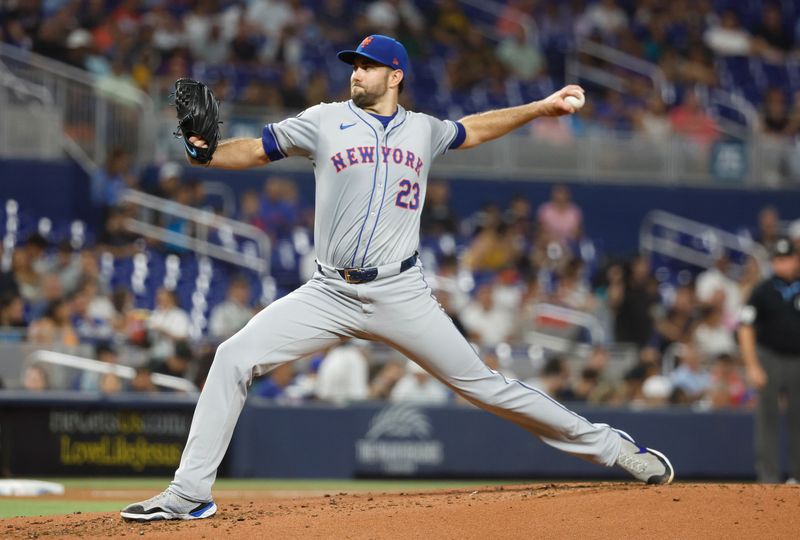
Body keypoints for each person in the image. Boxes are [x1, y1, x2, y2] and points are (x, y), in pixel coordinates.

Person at [121, 34, 673, 522]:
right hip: (329, 290)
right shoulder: (323, 119)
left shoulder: (424, 131)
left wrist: (540, 107)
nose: (355, 72)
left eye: (366, 65)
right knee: (232, 357)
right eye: (353, 65)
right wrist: (208, 154)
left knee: (486, 386)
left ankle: (612, 448)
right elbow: (257, 149)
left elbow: (472, 130)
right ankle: (190, 493)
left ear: (395, 75)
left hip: (400, 291)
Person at [738, 237, 800, 483]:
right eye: (777, 259)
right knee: (767, 419)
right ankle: (768, 479)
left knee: (799, 419)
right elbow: (745, 326)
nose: (781, 264)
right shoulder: (762, 290)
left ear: (796, 259)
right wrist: (752, 365)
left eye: (786, 259)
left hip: (798, 360)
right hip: (770, 358)